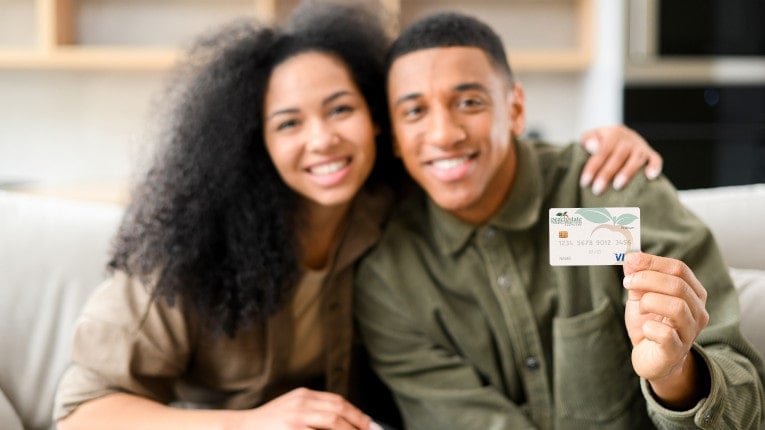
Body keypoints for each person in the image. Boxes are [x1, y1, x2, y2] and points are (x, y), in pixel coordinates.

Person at [54, 2, 662, 429]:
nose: (322, 141)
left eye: (340, 109)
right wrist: (250, 425)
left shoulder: (398, 209)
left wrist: (607, 153)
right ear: (253, 142)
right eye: (289, 123)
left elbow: (512, 193)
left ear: (378, 123)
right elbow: (82, 413)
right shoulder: (191, 250)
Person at [354, 11, 765, 430]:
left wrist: (675, 374)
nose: (444, 134)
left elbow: (746, 406)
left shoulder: (612, 191)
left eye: (469, 102)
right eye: (415, 112)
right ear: (394, 138)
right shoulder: (390, 280)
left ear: (515, 109)